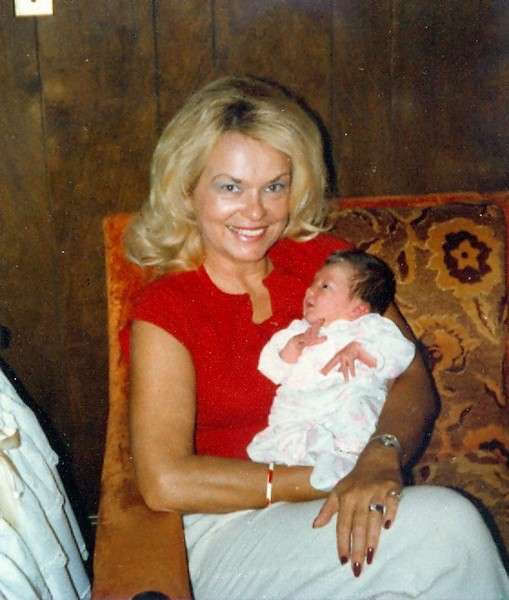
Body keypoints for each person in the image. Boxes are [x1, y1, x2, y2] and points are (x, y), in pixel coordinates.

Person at [122, 76, 509, 599]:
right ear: (186, 189)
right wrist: (327, 478)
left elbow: (410, 375)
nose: (255, 212)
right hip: (229, 529)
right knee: (449, 530)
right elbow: (165, 480)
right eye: (230, 187)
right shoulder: (165, 307)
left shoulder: (325, 263)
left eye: (274, 187)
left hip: (337, 499)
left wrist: (381, 455)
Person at [247, 249, 416, 491]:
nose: (310, 290)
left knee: (357, 410)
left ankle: (344, 463)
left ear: (358, 309)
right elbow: (271, 368)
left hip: (346, 400)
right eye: (313, 283)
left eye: (325, 286)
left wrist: (362, 350)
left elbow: (402, 353)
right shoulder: (297, 330)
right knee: (289, 433)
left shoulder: (370, 327)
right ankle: (313, 466)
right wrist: (294, 346)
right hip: (302, 408)